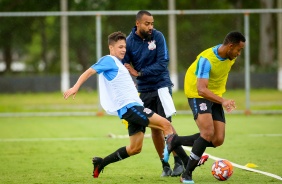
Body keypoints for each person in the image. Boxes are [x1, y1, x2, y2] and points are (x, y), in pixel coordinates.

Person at [63, 31, 176, 178]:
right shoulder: (108, 60)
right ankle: (185, 162)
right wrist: (75, 87)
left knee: (135, 148)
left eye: (124, 47)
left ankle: (101, 163)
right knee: (166, 125)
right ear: (111, 48)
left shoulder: (119, 64)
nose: (124, 49)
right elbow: (89, 72)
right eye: (120, 47)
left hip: (133, 107)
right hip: (132, 108)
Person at [164, 31, 246, 183]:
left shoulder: (230, 57)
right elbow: (202, 89)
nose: (239, 53)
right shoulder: (206, 60)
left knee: (217, 140)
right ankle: (187, 174)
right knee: (207, 132)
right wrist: (223, 101)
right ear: (230, 46)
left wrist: (220, 98)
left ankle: (175, 141)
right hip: (197, 92)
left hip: (215, 94)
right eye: (238, 50)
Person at [122, 10, 186, 177]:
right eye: (147, 24)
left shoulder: (158, 37)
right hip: (143, 90)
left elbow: (163, 62)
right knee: (155, 129)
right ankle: (165, 165)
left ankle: (178, 161)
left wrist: (140, 73)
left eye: (152, 23)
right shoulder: (129, 42)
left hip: (162, 87)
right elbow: (123, 63)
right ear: (138, 23)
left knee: (166, 124)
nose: (150, 27)